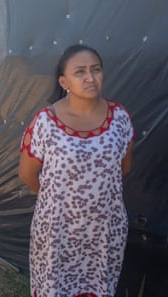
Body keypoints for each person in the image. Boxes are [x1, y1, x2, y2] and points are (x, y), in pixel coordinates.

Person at [18, 44, 134, 297]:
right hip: (57, 229)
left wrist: (93, 198)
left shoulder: (120, 118)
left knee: (99, 286)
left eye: (96, 69)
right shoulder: (46, 121)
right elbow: (27, 174)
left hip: (104, 229)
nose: (90, 78)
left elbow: (123, 169)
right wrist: (58, 199)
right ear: (64, 81)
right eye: (80, 72)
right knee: (55, 288)